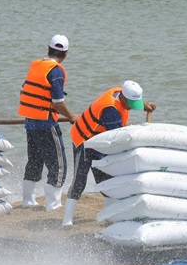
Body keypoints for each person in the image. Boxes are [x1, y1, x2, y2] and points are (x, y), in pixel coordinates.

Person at [62, 81, 157, 226]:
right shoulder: (110, 110)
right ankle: (67, 220)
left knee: (107, 180)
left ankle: (110, 216)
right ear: (123, 98)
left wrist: (144, 105)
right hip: (84, 141)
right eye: (131, 104)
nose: (132, 107)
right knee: (79, 180)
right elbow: (117, 139)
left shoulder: (120, 91)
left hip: (100, 142)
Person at [18, 34, 77, 211]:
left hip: (30, 121)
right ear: (66, 54)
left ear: (48, 49)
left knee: (34, 160)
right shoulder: (57, 70)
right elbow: (58, 103)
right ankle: (53, 204)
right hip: (45, 123)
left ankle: (28, 200)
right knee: (58, 165)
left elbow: (24, 89)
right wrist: (72, 116)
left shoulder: (36, 65)